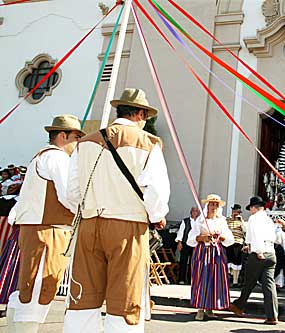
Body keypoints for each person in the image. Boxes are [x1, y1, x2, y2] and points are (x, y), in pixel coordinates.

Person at [64, 88, 170, 333]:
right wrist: (157, 216)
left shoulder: (86, 141)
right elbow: (156, 190)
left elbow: (72, 192)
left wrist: (89, 207)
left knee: (83, 298)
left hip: (90, 224)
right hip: (127, 225)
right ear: (141, 114)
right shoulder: (148, 143)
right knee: (124, 300)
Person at [6, 115, 84, 333]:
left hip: (39, 228)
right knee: (39, 289)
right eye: (76, 137)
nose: (77, 143)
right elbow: (69, 195)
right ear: (62, 135)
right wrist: (86, 211)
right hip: (48, 230)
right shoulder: (57, 158)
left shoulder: (42, 157)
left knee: (29, 288)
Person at [230, 196, 279, 325]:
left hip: (259, 253)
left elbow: (256, 235)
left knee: (249, 282)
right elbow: (274, 237)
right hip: (271, 252)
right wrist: (251, 246)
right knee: (269, 285)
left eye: (250, 208)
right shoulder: (269, 220)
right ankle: (272, 315)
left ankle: (239, 305)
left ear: (253, 208)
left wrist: (258, 250)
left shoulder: (254, 218)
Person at [187, 194, 234, 321]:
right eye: (212, 204)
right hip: (202, 252)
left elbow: (229, 239)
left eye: (216, 205)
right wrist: (204, 238)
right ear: (207, 206)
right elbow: (191, 239)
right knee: (201, 278)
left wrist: (220, 237)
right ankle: (200, 308)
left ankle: (210, 307)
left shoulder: (222, 221)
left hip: (217, 253)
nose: (214, 207)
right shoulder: (200, 221)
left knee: (215, 279)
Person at [176, 207, 200, 284]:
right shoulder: (185, 221)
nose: (195, 212)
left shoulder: (200, 222)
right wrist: (179, 242)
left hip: (196, 244)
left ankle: (191, 279)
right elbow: (181, 232)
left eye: (196, 211)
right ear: (191, 212)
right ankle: (181, 279)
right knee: (183, 262)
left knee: (193, 263)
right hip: (185, 243)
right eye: (193, 211)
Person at [225, 204, 245, 287]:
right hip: (229, 242)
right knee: (228, 261)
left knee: (236, 262)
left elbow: (245, 231)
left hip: (238, 242)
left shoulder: (241, 221)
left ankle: (235, 281)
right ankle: (228, 279)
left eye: (237, 212)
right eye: (235, 211)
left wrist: (242, 221)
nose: (236, 213)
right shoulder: (227, 220)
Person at [273, 218, 285, 290]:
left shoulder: (282, 234)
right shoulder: (272, 232)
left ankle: (278, 284)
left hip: (279, 252)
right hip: (273, 251)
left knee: (279, 268)